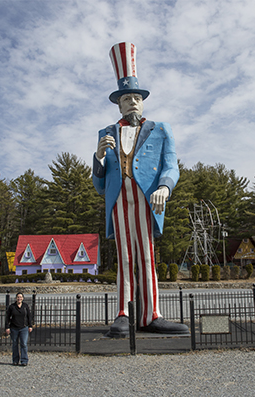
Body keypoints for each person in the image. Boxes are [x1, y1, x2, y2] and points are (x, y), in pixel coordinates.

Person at [92, 42, 189, 337]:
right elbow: (99, 184)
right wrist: (97, 159)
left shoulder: (161, 129)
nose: (132, 102)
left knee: (146, 256)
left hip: (146, 199)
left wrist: (164, 187)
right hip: (120, 199)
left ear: (143, 102)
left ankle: (151, 315)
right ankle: (124, 313)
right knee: (124, 256)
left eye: (136, 97)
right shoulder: (105, 134)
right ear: (118, 105)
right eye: (126, 98)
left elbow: (171, 166)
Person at [5, 292, 33, 366]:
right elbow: (7, 317)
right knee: (15, 344)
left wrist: (30, 325)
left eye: (20, 297)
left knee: (23, 344)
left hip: (24, 328)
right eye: (18, 297)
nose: (19, 298)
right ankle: (15, 360)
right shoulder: (12, 307)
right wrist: (7, 327)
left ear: (23, 298)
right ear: (16, 298)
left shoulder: (25, 306)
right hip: (14, 328)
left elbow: (29, 316)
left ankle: (24, 360)